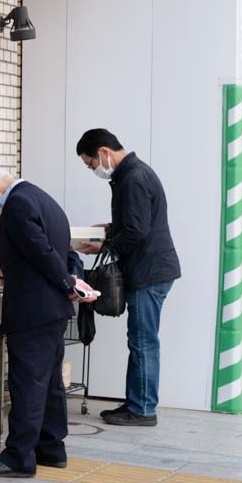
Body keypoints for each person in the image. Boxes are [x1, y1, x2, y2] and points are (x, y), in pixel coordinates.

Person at [0, 167, 94, 477]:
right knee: (50, 382)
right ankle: (51, 448)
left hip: (32, 309)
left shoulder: (16, 205)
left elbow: (40, 251)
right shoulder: (44, 198)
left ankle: (19, 457)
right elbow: (63, 249)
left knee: (26, 383)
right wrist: (72, 281)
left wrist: (68, 284)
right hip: (53, 310)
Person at [74, 129, 180, 426]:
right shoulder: (131, 175)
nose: (93, 170)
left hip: (149, 273)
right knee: (139, 339)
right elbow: (134, 221)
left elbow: (136, 231)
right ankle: (136, 403)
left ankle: (143, 409)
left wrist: (104, 245)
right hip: (149, 270)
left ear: (104, 153)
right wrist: (107, 230)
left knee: (143, 341)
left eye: (90, 164)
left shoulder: (132, 178)